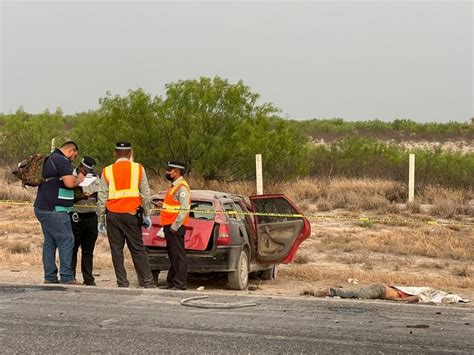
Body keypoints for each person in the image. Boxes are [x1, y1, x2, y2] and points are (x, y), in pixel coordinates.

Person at [97, 142, 154, 288]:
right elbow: (145, 193)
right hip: (131, 213)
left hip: (113, 215)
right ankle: (147, 281)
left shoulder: (107, 171)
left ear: (115, 153)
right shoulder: (138, 168)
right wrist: (147, 213)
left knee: (116, 250)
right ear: (130, 153)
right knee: (137, 248)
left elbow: (102, 196)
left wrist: (101, 218)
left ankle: (122, 282)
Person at [34, 141, 85, 284]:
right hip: (55, 210)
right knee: (67, 239)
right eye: (75, 155)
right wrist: (80, 179)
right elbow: (69, 183)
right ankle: (67, 277)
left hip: (43, 207)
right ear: (71, 151)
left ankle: (50, 277)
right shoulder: (62, 160)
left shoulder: (51, 158)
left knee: (50, 242)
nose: (74, 157)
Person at [159, 161, 191, 290]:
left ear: (177, 172)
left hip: (175, 227)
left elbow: (184, 209)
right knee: (173, 255)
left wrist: (175, 226)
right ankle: (171, 282)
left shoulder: (182, 187)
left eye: (169, 170)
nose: (167, 173)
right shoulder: (174, 186)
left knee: (178, 255)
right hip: (169, 225)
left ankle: (180, 283)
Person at [70, 156, 100, 286]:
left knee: (88, 250)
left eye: (89, 171)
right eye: (85, 170)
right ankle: (70, 276)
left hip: (91, 216)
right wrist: (81, 195)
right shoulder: (70, 176)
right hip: (75, 215)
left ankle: (88, 278)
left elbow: (99, 195)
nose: (87, 173)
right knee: (73, 248)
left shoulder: (95, 178)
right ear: (80, 166)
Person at [312, 284, 419, 302]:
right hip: (381, 290)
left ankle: (331, 291)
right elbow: (416, 297)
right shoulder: (427, 293)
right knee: (357, 294)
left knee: (356, 293)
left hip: (381, 290)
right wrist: (400, 300)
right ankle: (329, 291)